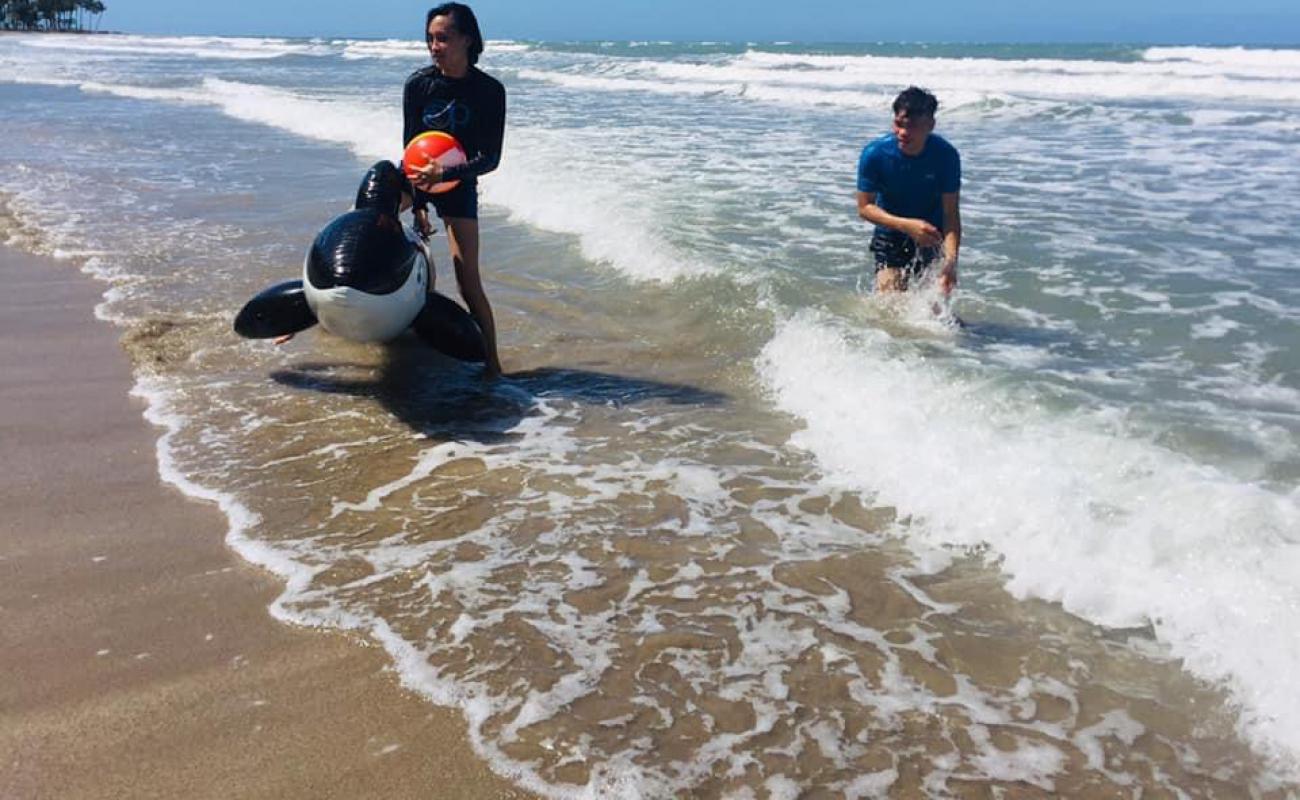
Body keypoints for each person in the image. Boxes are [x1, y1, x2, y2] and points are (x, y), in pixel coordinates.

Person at [403, 2, 506, 376]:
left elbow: (491, 157)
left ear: (467, 39)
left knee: (467, 281)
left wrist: (448, 173)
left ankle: (493, 363)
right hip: (416, 177)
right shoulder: (419, 85)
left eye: (443, 38)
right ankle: (336, 296)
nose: (434, 46)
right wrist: (416, 200)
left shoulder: (489, 91)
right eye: (430, 38)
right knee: (377, 190)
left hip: (459, 183)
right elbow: (408, 144)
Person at [856, 87, 962, 295]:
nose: (903, 133)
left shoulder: (946, 156)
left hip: (933, 235)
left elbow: (951, 214)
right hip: (891, 233)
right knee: (891, 305)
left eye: (912, 126)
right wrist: (907, 225)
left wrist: (950, 262)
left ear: (930, 125)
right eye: (899, 124)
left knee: (934, 312)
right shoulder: (875, 154)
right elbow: (865, 207)